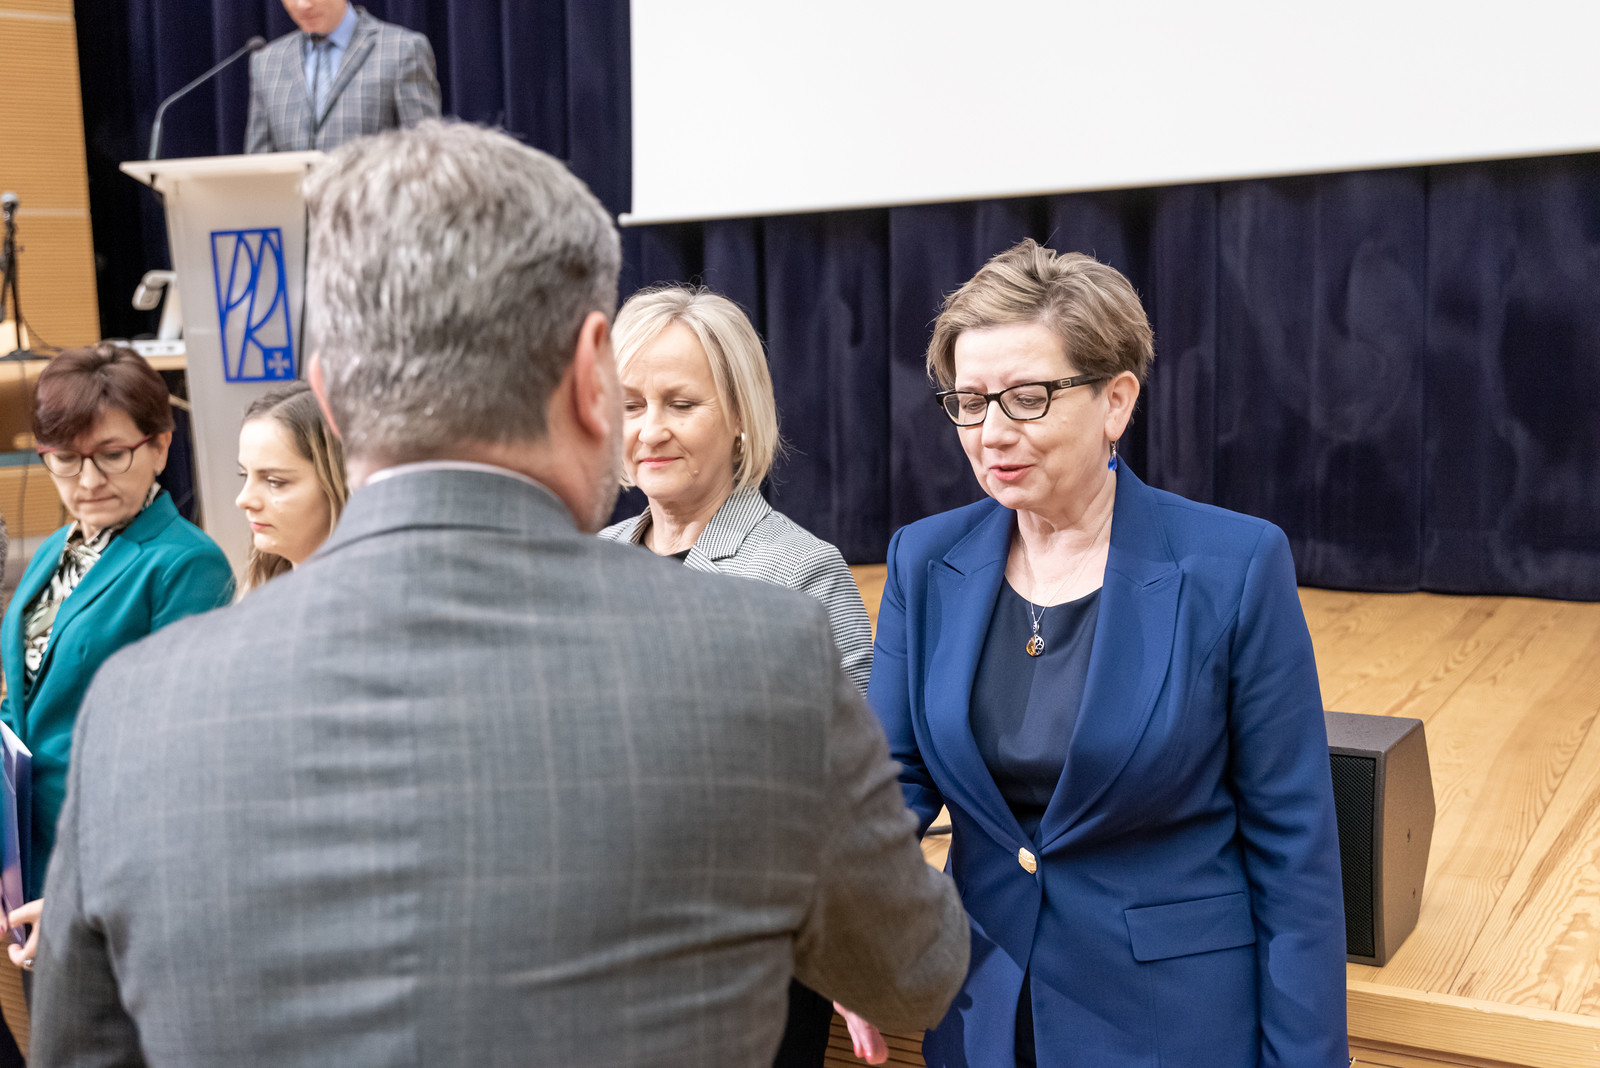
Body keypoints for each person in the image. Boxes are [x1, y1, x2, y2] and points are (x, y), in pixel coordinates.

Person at [29, 121, 968, 1067]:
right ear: (593, 375)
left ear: (329, 395)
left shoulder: (134, 709)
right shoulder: (765, 662)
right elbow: (914, 972)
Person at [869, 240, 1348, 1066]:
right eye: (970, 402)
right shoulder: (924, 557)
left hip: (1168, 1026)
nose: (992, 433)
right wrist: (843, 928)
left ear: (1115, 402)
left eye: (1027, 399)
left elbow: (1294, 849)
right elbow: (887, 783)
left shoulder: (1233, 566)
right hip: (982, 1015)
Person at [598, 286, 876, 1065]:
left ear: (741, 415)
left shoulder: (801, 571)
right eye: (630, 405)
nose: (650, 428)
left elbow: (849, 792)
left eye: (681, 403)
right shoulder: (585, 562)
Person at [0, 343, 233, 956]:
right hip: (34, 855)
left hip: (114, 870)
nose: (88, 481)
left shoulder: (186, 563)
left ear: (160, 446)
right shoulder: (56, 550)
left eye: (111, 455)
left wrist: (82, 890)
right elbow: (26, 703)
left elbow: (176, 754)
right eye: (65, 458)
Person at [245, 0, 441, 154]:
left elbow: (425, 155)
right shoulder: (267, 62)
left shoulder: (402, 49)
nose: (302, 5)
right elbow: (258, 167)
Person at [235, 381, 349, 594]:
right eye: (244, 475)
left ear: (339, 484)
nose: (243, 499)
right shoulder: (262, 593)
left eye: (275, 482)